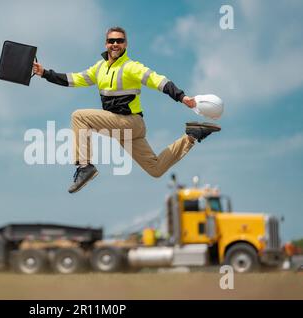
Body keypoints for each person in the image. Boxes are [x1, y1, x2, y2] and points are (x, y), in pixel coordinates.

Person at [33, 26, 220, 194]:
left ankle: (85, 167)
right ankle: (192, 136)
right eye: (111, 41)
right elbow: (72, 79)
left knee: (79, 116)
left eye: (119, 41)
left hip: (130, 122)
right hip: (123, 130)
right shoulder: (99, 68)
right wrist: (44, 73)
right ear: (106, 44)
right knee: (155, 169)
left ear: (125, 44)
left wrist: (182, 97)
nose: (115, 44)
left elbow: (157, 80)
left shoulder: (131, 67)